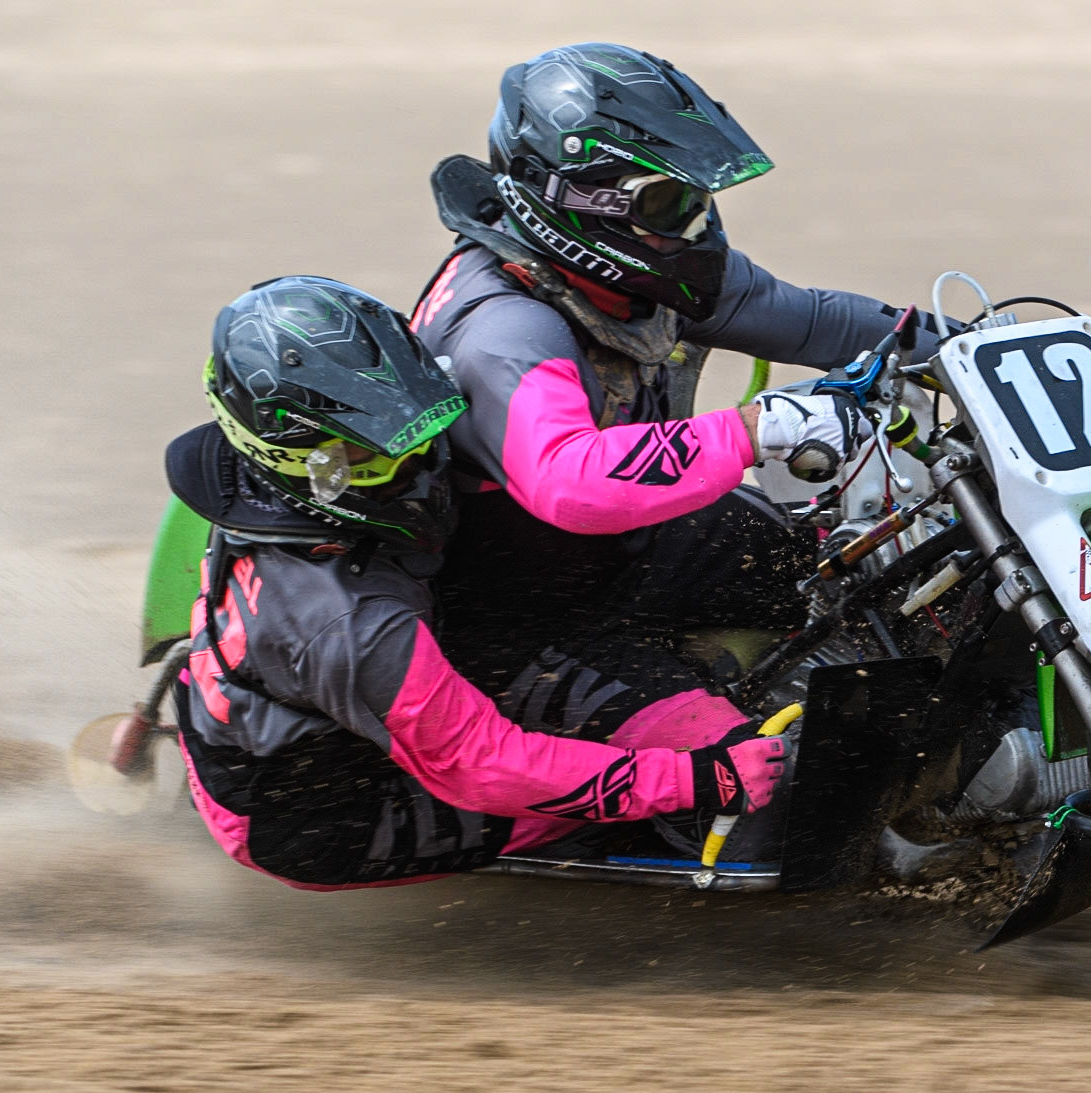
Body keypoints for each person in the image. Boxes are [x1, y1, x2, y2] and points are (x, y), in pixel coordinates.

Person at [168, 276, 787, 890]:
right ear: (290, 455)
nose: (410, 461)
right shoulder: (350, 624)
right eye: (368, 455)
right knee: (744, 799)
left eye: (410, 424)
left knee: (737, 538)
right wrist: (696, 780)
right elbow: (480, 764)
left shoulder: (258, 480)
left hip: (349, 674)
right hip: (322, 812)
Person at [408, 43, 953, 700]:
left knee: (882, 583)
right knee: (746, 767)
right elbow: (568, 480)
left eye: (696, 197)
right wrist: (757, 428)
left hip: (630, 552)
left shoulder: (638, 268)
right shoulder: (505, 329)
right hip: (518, 632)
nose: (695, 225)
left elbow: (814, 322)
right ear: (583, 200)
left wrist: (977, 347)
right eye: (669, 202)